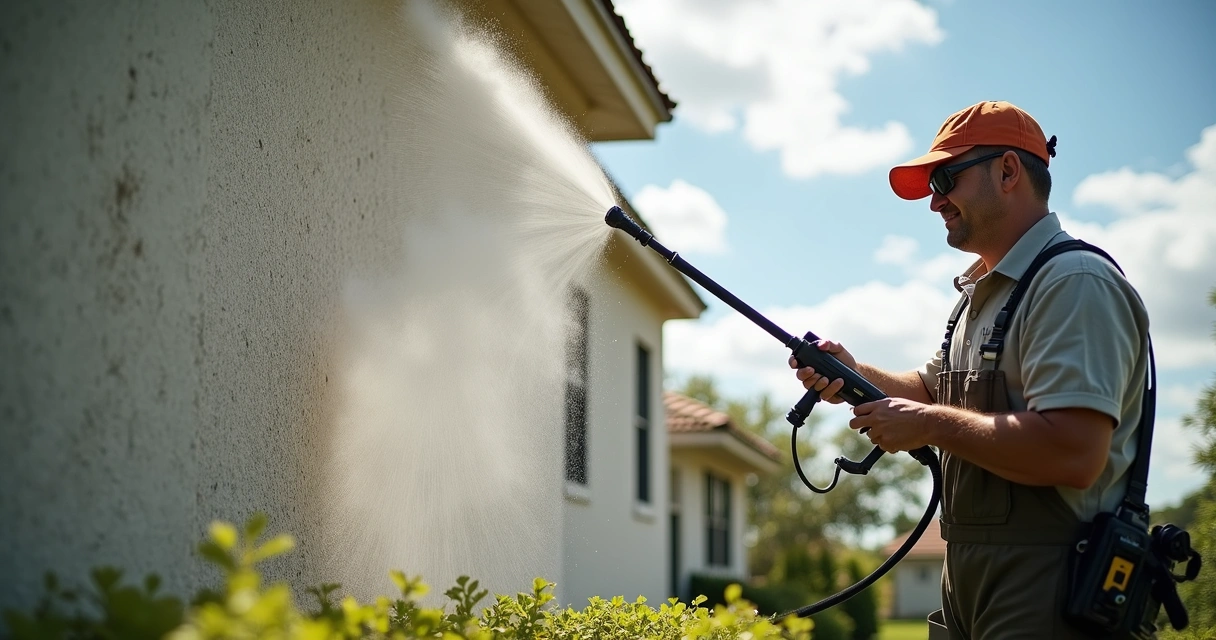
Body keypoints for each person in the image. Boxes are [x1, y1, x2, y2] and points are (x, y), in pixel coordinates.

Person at [790, 101, 1150, 639]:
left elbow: (1074, 451)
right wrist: (852, 371)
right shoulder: (980, 295)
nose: (935, 201)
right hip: (970, 581)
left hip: (1050, 583)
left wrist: (932, 425)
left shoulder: (1074, 283)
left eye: (946, 178)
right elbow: (932, 389)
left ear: (1008, 171)